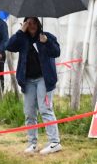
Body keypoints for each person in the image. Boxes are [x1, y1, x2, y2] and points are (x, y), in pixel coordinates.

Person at [5, 17, 62, 155]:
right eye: (28, 23)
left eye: (34, 22)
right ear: (25, 24)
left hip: (44, 79)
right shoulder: (22, 38)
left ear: (38, 23)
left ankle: (54, 142)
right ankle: (32, 144)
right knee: (29, 112)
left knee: (45, 109)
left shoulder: (46, 36)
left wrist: (46, 42)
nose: (32, 25)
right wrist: (20, 31)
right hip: (28, 80)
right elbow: (9, 46)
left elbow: (56, 52)